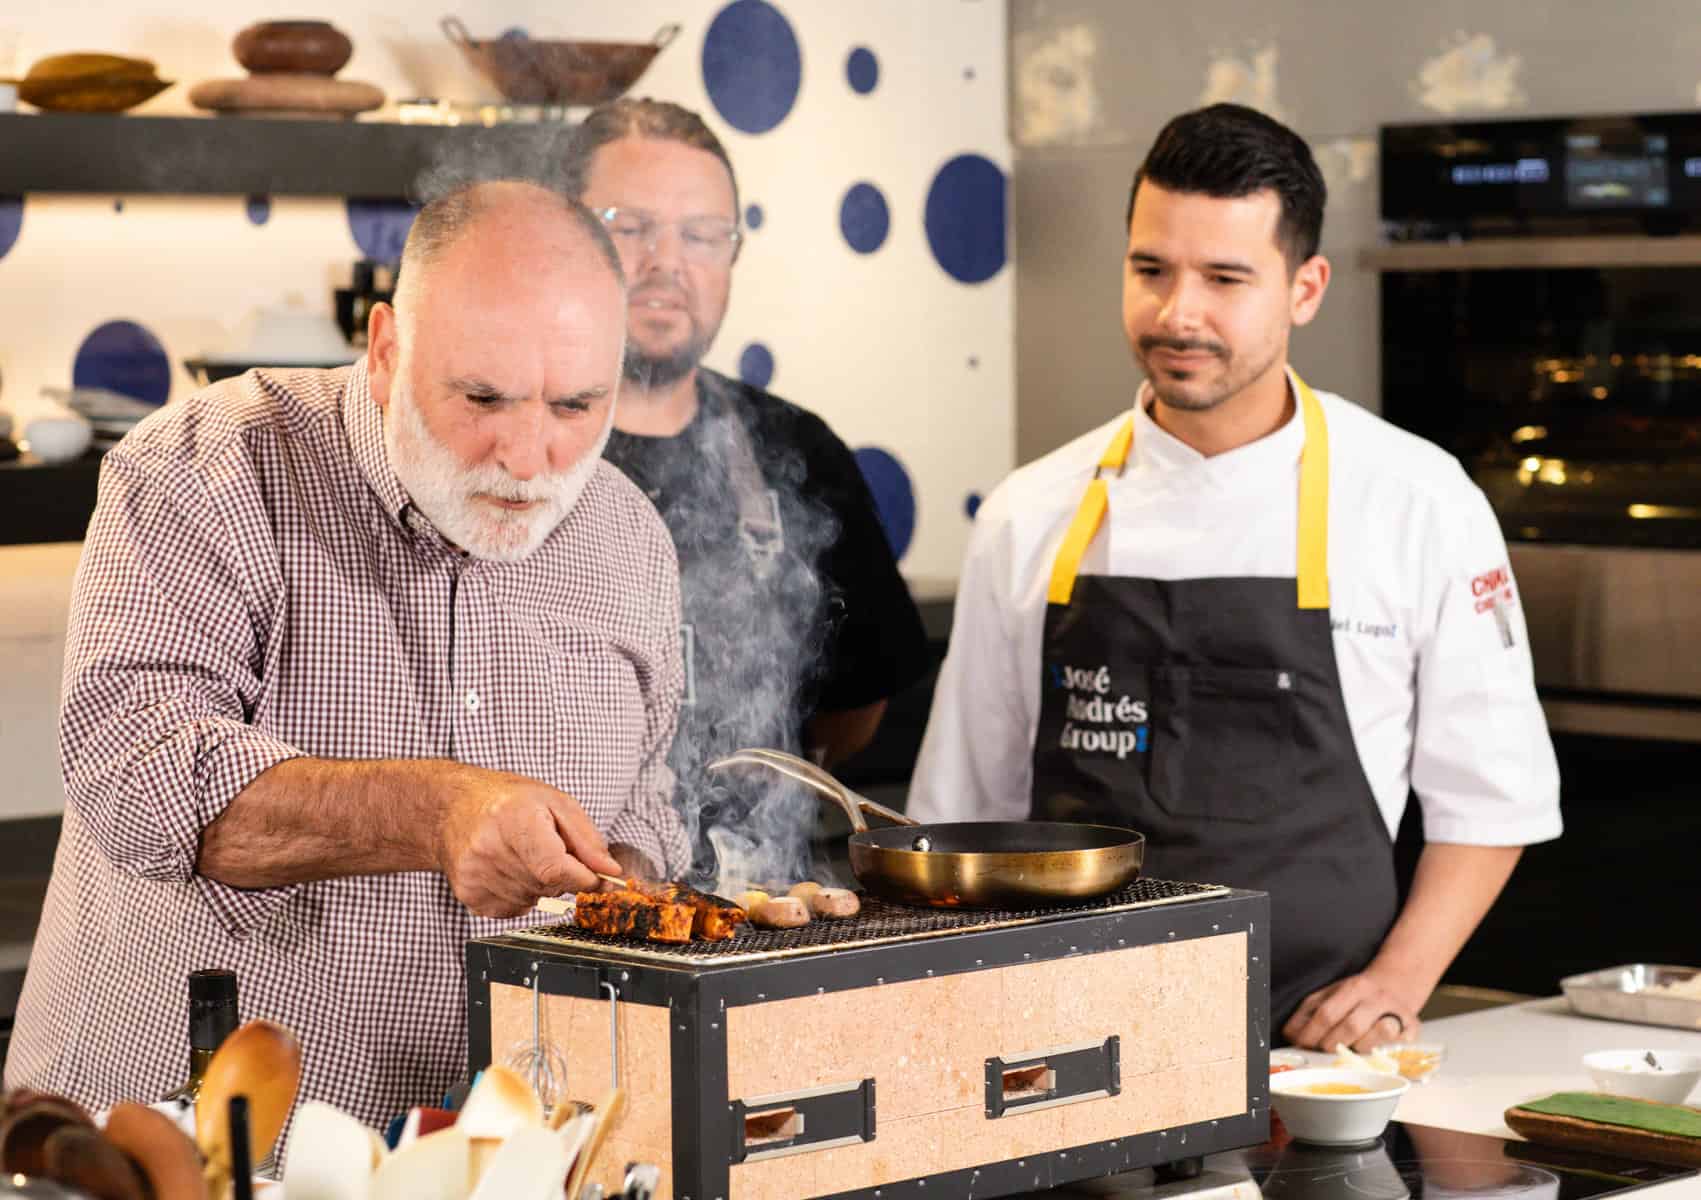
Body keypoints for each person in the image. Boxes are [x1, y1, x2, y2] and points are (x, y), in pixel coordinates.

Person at [5, 181, 690, 1128]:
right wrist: (440, 813)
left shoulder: (629, 539)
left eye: (576, 404)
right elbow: (138, 777)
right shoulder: (207, 464)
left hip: (489, 1158)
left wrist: (628, 876)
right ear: (384, 351)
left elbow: (647, 798)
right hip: (181, 1145)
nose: (529, 458)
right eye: (482, 396)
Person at [908, 104, 1562, 1050]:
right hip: (1064, 1040)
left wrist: (1393, 982)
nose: (1178, 312)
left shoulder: (1418, 500)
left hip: (1316, 1052)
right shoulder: (1031, 513)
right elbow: (964, 811)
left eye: (1224, 278)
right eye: (1149, 270)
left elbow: (1491, 796)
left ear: (1304, 288)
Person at [560, 99, 930, 884]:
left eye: (701, 235)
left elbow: (856, 707)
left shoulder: (798, 452)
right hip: (547, 910)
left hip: (755, 914)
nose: (667, 261)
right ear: (566, 235)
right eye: (629, 226)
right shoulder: (508, 446)